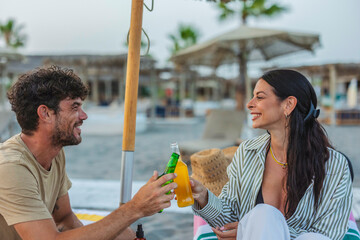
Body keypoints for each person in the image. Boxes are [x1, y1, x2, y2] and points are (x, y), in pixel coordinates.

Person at [0, 66, 177, 240]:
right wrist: (135, 208)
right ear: (45, 113)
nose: (83, 116)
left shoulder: (54, 154)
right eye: (75, 107)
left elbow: (64, 220)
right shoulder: (11, 168)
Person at [190, 69, 352, 240]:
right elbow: (229, 220)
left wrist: (252, 231)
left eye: (259, 97)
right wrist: (203, 196)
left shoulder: (335, 166)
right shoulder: (247, 153)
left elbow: (329, 234)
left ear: (288, 104)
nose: (249, 104)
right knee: (263, 215)